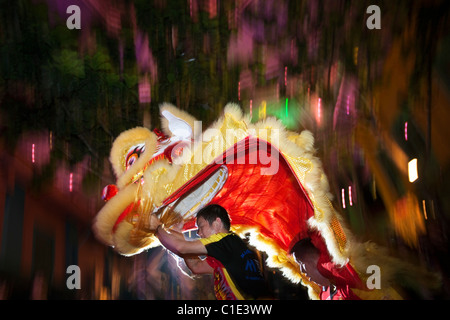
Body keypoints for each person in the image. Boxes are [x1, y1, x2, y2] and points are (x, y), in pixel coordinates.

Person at [148, 204, 270, 300]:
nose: (199, 233)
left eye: (201, 226)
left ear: (217, 224)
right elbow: (196, 266)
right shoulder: (229, 248)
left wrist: (157, 228)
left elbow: (181, 247)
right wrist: (178, 234)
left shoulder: (223, 240)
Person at [290, 238, 363, 300]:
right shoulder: (324, 294)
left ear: (315, 260)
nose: (302, 270)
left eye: (302, 263)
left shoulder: (351, 286)